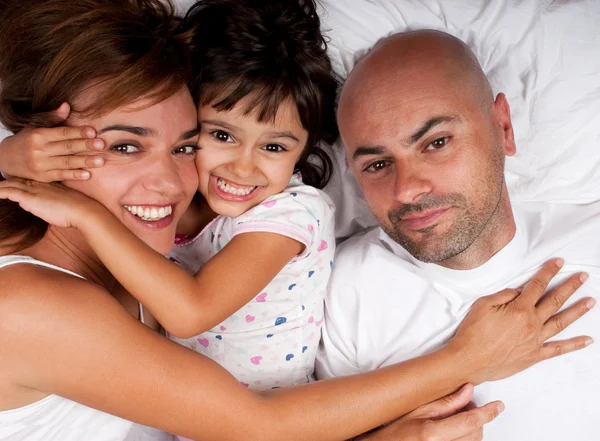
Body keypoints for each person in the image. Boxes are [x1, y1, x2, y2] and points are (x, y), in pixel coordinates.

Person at [0, 2, 592, 440]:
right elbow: (253, 424)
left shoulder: (138, 250)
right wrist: (465, 360)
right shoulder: (32, 303)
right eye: (127, 147)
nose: (172, 183)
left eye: (185, 147)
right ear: (43, 147)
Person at [315, 30, 600, 441]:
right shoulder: (343, 289)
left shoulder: (590, 239)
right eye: (377, 165)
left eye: (437, 142)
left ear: (503, 128)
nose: (407, 189)